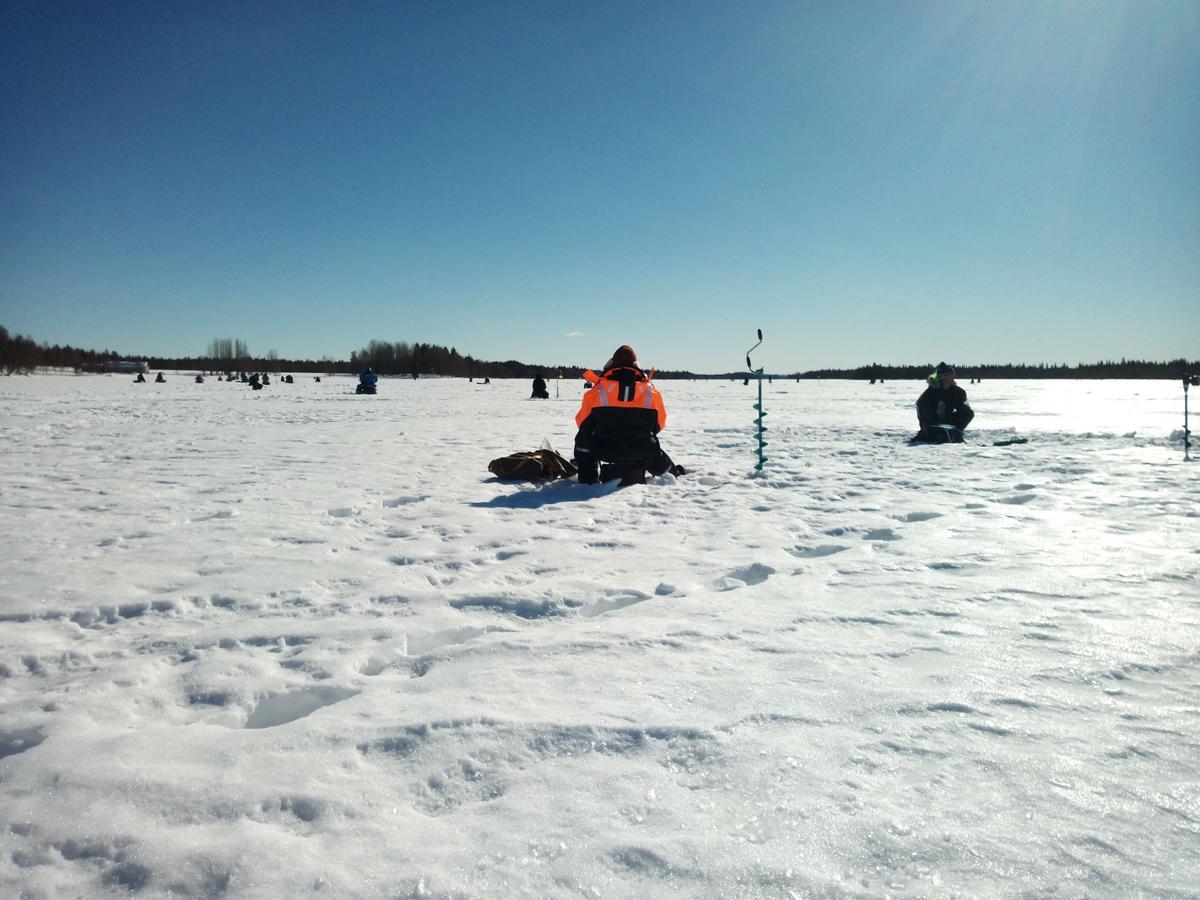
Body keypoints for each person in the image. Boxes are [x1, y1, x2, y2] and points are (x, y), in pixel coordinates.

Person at [574, 345, 682, 485]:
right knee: (650, 444)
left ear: (612, 364)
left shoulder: (596, 392)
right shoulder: (651, 393)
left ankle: (588, 480)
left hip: (605, 448)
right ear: (636, 366)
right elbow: (659, 424)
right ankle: (670, 475)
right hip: (642, 449)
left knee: (582, 439)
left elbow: (582, 424)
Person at [915, 362, 974, 443]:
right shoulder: (929, 393)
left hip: (948, 421)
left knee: (969, 413)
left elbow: (965, 410)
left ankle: (955, 435)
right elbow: (924, 412)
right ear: (941, 377)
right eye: (949, 375)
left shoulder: (957, 392)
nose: (952, 377)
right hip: (931, 425)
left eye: (952, 375)